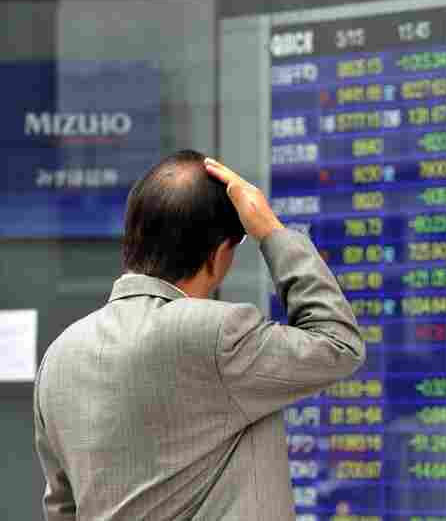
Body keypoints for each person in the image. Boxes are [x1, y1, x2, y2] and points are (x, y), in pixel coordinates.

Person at [33, 150, 365, 520]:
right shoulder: (216, 336)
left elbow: (62, 509)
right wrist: (271, 231)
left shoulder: (58, 358)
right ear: (219, 254)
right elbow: (338, 344)